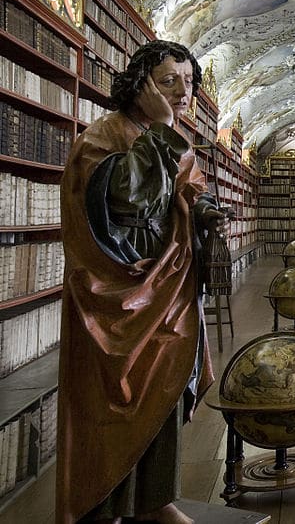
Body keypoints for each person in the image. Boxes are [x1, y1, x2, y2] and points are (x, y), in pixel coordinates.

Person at [57, 40, 229, 523]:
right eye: (169, 81)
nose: (181, 92)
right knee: (113, 401)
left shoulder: (172, 139)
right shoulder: (103, 136)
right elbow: (130, 197)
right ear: (141, 84)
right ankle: (101, 506)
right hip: (116, 292)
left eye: (189, 84)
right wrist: (164, 130)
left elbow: (186, 191)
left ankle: (155, 502)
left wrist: (208, 211)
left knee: (166, 393)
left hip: (168, 286)